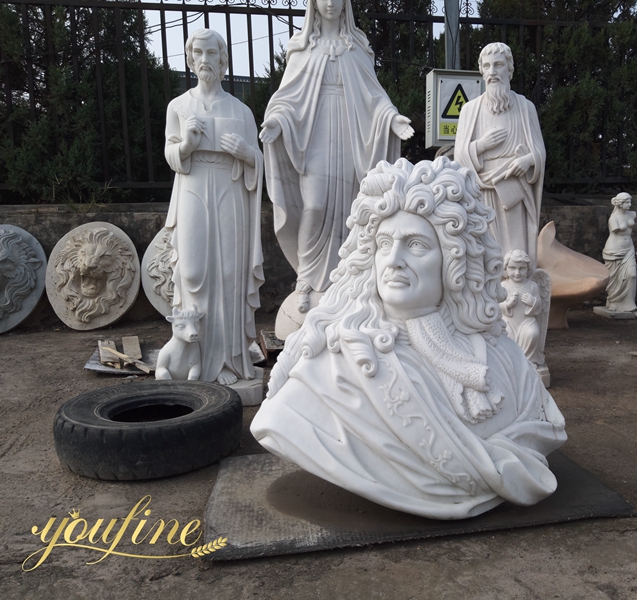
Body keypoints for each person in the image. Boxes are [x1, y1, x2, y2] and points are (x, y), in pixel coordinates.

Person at [251, 158, 566, 520]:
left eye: (415, 245)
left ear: (454, 262)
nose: (394, 260)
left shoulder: (506, 360)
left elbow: (545, 429)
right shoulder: (329, 366)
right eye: (384, 243)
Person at [261, 0, 414, 312]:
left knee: (351, 208)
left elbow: (374, 97)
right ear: (314, 4)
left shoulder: (356, 48)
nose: (330, 3)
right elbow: (288, 98)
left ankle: (348, 278)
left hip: (350, 135)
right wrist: (276, 121)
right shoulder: (302, 48)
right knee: (314, 205)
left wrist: (391, 118)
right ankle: (305, 279)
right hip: (315, 135)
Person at [164, 29, 265, 385]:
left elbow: (258, 162)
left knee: (229, 274)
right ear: (191, 59)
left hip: (229, 189)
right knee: (192, 273)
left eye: (212, 53)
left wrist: (246, 153)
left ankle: (226, 363)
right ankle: (192, 360)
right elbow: (170, 155)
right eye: (199, 53)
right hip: (192, 189)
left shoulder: (241, 111)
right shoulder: (178, 107)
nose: (205, 60)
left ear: (223, 60)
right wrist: (187, 145)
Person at [455, 42, 546, 262]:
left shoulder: (525, 108)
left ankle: (517, 287)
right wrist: (481, 145)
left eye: (498, 65)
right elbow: (459, 157)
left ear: (509, 69)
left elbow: (540, 152)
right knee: (485, 249)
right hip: (482, 190)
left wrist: (527, 160)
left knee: (515, 250)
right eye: (487, 66)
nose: (493, 72)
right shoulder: (470, 110)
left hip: (514, 188)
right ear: (482, 71)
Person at [500, 249, 547, 368]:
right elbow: (496, 307)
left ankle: (528, 361)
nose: (517, 273)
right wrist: (507, 305)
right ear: (506, 269)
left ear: (527, 269)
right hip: (509, 322)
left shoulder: (532, 286)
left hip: (526, 322)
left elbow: (540, 307)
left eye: (521, 268)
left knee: (532, 333)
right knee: (506, 335)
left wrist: (533, 302)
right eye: (512, 268)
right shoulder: (503, 286)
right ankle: (511, 361)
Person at [602, 192, 637, 313]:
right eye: (627, 202)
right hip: (614, 250)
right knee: (614, 278)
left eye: (630, 201)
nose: (629, 204)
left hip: (629, 249)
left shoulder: (632, 214)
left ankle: (629, 304)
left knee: (632, 275)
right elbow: (615, 231)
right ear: (620, 204)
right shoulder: (613, 218)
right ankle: (613, 301)